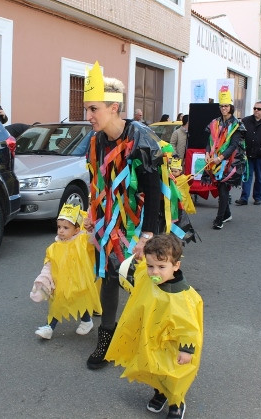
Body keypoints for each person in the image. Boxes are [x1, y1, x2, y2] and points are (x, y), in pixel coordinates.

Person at [83, 61, 191, 370]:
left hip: (144, 218)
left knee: (149, 278)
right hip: (111, 217)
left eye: (93, 109)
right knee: (108, 273)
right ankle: (107, 336)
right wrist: (94, 215)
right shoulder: (96, 139)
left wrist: (146, 236)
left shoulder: (140, 137)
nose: (88, 116)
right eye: (88, 109)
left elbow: (154, 190)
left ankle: (151, 340)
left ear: (113, 107)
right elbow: (97, 181)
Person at [105, 234, 203, 419]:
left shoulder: (184, 297)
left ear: (176, 266)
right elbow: (140, 269)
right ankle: (160, 392)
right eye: (151, 266)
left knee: (173, 374)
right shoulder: (148, 278)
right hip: (151, 341)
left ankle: (176, 402)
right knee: (154, 369)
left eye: (161, 267)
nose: (154, 272)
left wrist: (186, 350)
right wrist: (138, 257)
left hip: (172, 345)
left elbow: (190, 327)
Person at [29, 203, 101, 339]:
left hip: (79, 282)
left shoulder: (81, 241)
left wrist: (90, 229)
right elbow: (49, 263)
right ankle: (49, 327)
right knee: (57, 304)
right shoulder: (54, 247)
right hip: (61, 284)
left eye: (66, 228)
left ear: (76, 230)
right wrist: (43, 278)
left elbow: (92, 241)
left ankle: (86, 321)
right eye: (59, 227)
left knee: (80, 301)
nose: (61, 231)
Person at [203, 90, 246, 229]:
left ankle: (219, 220)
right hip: (215, 161)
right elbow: (209, 141)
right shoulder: (214, 123)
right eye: (222, 106)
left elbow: (234, 145)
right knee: (221, 189)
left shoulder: (237, 125)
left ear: (231, 107)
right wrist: (207, 153)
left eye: (226, 106)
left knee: (223, 190)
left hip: (230, 163)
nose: (224, 108)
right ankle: (226, 214)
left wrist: (221, 158)